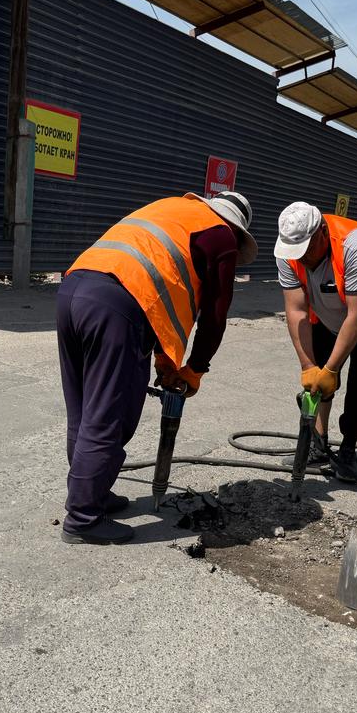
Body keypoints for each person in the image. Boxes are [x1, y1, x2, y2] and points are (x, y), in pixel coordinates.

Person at [57, 191, 257, 544]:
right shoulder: (222, 236)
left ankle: (92, 493)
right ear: (238, 233)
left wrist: (166, 362)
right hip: (116, 305)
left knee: (84, 409)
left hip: (74, 291)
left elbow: (162, 290)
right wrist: (195, 369)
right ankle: (83, 518)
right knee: (109, 415)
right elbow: (214, 315)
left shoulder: (176, 211)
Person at [274, 202, 357, 482]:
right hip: (328, 316)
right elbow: (296, 310)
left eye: (307, 249)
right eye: (296, 252)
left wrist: (331, 370)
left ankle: (348, 448)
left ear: (322, 231)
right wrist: (309, 366)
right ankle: (318, 445)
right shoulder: (288, 249)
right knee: (318, 379)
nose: (301, 258)